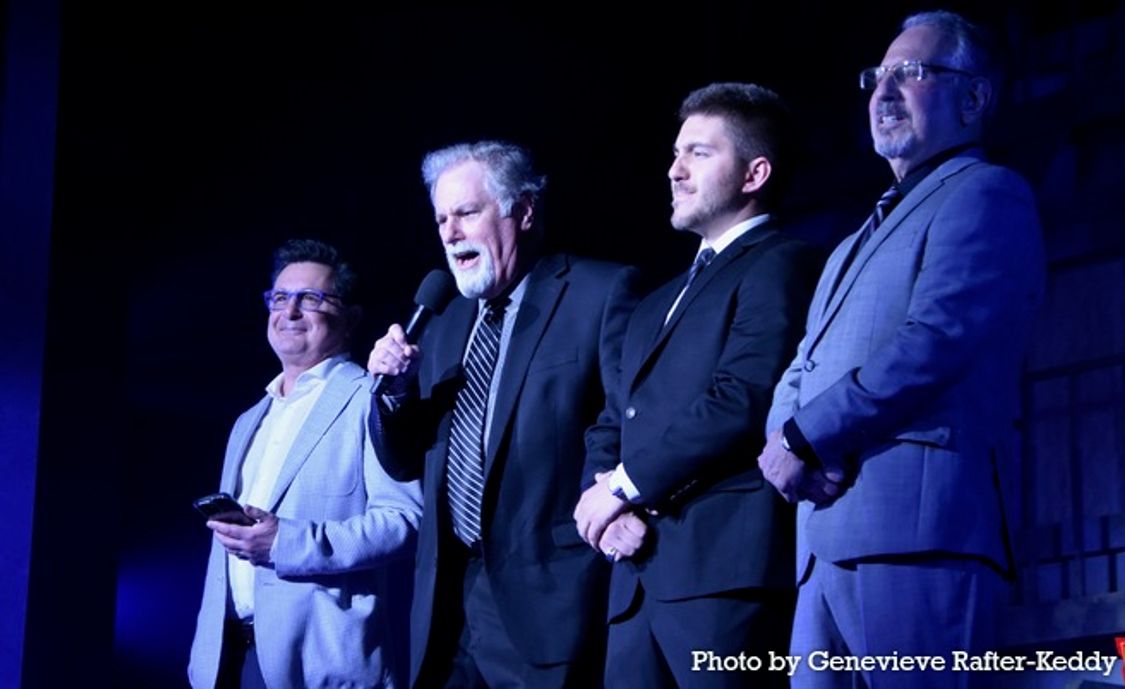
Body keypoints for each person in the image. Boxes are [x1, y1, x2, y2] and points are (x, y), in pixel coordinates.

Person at [760, 11, 1045, 688]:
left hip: (921, 533)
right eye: (876, 76)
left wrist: (803, 436)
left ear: (973, 99)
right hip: (823, 541)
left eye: (911, 73)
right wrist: (782, 441)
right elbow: (802, 362)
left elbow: (934, 340)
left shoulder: (987, 194)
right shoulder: (853, 239)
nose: (882, 91)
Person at [574, 82, 822, 688]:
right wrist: (604, 512)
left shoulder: (780, 262)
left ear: (754, 173)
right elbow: (614, 419)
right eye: (675, 153)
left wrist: (626, 487)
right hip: (635, 578)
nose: (674, 170)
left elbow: (743, 396)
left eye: (698, 154)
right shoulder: (655, 301)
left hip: (722, 574)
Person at [367, 141, 639, 689]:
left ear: (525, 210)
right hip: (449, 602)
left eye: (467, 213)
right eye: (441, 218)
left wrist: (608, 500)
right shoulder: (442, 323)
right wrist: (393, 395)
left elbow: (622, 419)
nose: (449, 232)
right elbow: (404, 461)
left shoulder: (599, 291)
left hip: (549, 598)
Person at [189, 238, 422, 689]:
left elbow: (404, 521)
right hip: (230, 662)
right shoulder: (248, 421)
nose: (290, 311)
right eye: (280, 298)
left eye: (311, 298)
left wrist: (286, 542)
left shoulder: (367, 400)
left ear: (350, 318)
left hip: (319, 666)